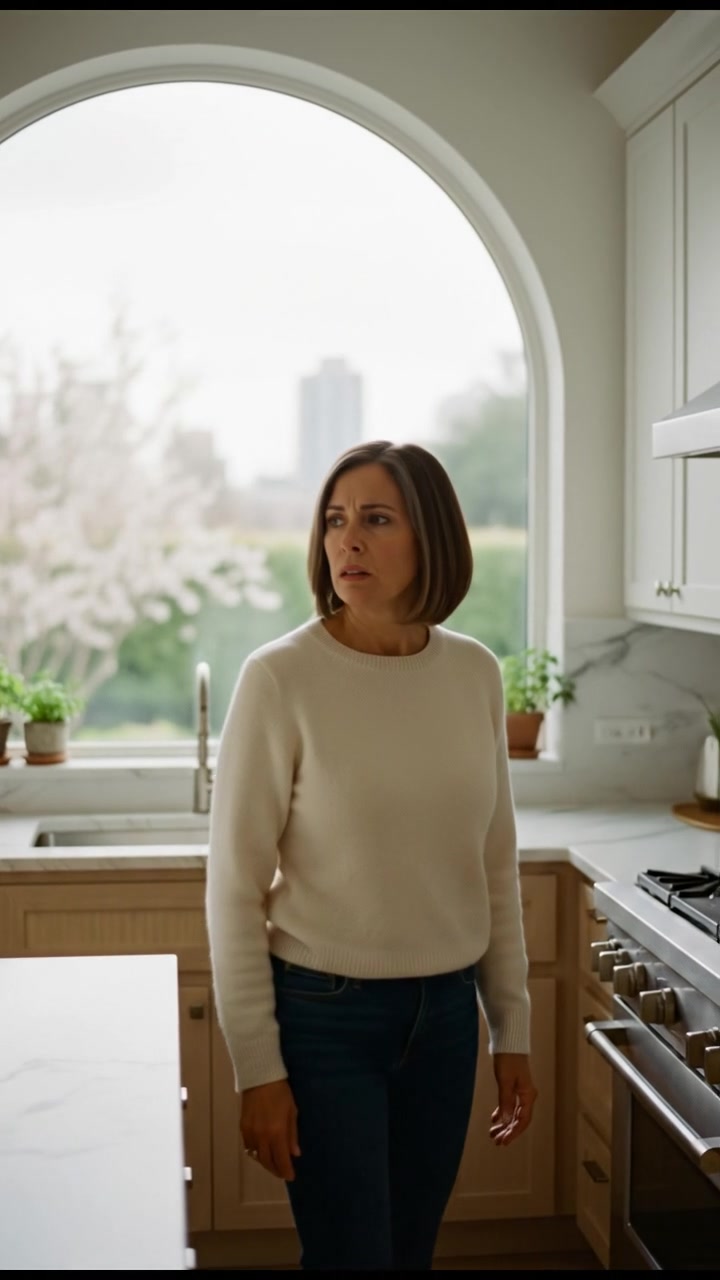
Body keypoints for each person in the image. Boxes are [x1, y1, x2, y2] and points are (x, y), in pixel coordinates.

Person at [206, 439, 537, 1271]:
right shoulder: (280, 677)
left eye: (377, 520)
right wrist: (258, 1069)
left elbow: (494, 861)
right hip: (324, 1019)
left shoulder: (474, 674)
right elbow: (233, 889)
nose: (347, 541)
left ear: (432, 538)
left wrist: (515, 1029)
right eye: (334, 520)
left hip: (446, 1020)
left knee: (410, 1254)